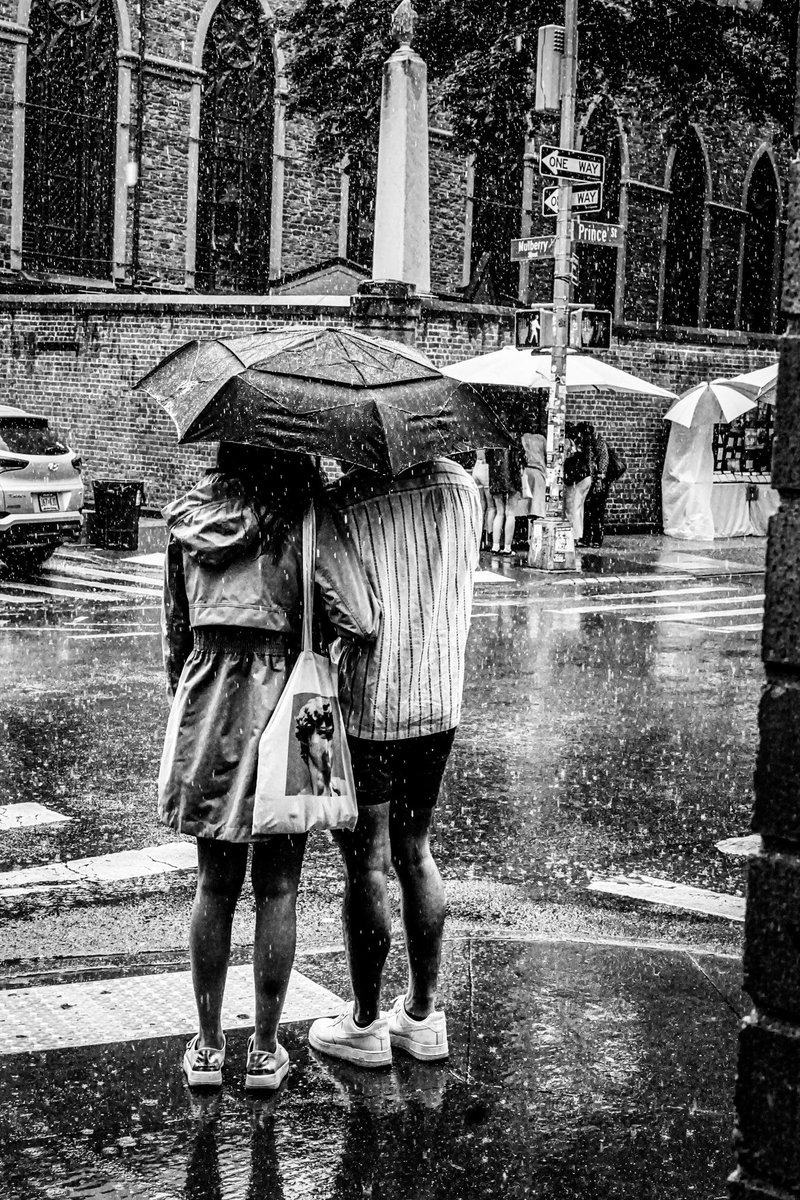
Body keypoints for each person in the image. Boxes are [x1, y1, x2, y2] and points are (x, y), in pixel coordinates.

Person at [159, 442, 380, 1091]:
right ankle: (261, 1051)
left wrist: (198, 692)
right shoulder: (304, 515)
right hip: (290, 701)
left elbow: (175, 634)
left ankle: (205, 1048)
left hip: (208, 706)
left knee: (214, 886)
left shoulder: (188, 516)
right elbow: (360, 616)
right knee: (277, 888)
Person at [307, 458, 482, 1068]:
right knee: (417, 849)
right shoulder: (464, 490)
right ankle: (423, 1013)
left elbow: (338, 608)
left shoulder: (345, 505)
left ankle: (363, 1022)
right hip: (440, 698)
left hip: (371, 706)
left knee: (367, 865)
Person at [563, 423, 593, 546]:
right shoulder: (575, 443)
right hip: (584, 478)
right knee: (578, 508)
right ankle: (577, 535)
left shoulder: (565, 442)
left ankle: (574, 536)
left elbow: (562, 461)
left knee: (571, 508)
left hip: (575, 480)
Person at [582, 425, 611, 547]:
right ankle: (589, 537)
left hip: (599, 481)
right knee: (590, 510)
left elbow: (603, 461)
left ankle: (596, 539)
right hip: (591, 480)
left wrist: (599, 479)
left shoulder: (598, 442)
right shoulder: (589, 442)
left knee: (596, 511)